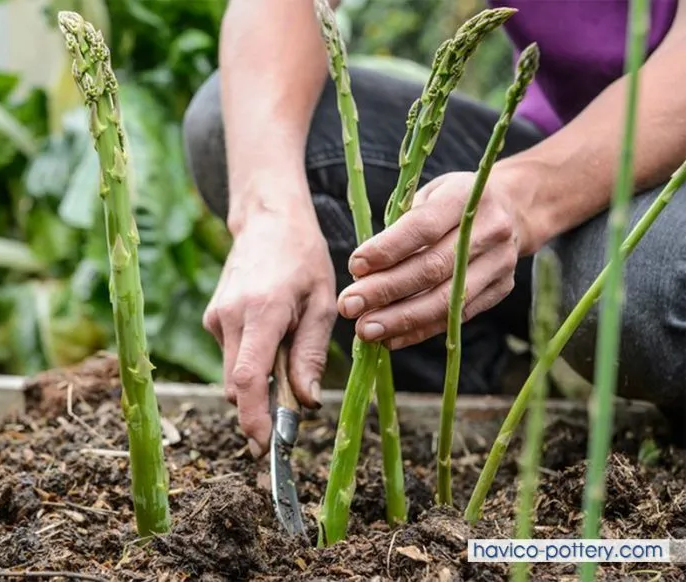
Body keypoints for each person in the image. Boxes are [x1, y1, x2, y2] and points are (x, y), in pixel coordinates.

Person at [181, 0, 686, 457]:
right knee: (240, 128)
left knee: (627, 292)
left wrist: (524, 198)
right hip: (559, 142)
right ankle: (472, 429)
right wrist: (269, 212)